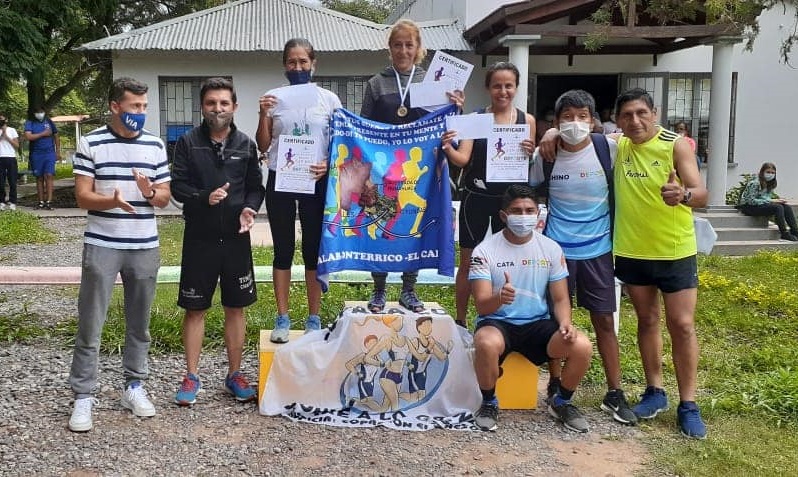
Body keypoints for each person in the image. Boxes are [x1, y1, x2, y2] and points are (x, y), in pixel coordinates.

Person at [541, 87, 709, 438]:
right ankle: (653, 391)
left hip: (670, 250)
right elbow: (569, 136)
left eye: (641, 113)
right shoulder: (614, 146)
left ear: (654, 113)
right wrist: (551, 132)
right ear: (616, 120)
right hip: (629, 251)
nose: (635, 121)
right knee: (645, 321)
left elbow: (702, 193)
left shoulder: (669, 145)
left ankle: (686, 404)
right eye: (627, 115)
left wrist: (684, 195)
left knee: (681, 325)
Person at [68, 77, 171, 432]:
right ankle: (83, 395)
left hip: (144, 244)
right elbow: (82, 197)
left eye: (144, 107)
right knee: (91, 321)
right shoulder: (91, 142)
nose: (140, 113)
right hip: (102, 242)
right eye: (134, 106)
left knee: (139, 323)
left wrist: (149, 191)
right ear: (115, 106)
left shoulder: (155, 145)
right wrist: (110, 200)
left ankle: (134, 386)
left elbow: (164, 198)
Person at [528, 89, 636, 425]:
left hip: (598, 251)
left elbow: (638, 136)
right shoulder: (546, 155)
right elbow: (529, 188)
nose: (574, 123)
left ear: (593, 121)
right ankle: (555, 383)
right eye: (567, 117)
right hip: (557, 253)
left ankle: (615, 391)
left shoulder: (608, 149)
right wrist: (547, 136)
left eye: (582, 117)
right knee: (557, 320)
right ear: (556, 121)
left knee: (604, 321)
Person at [171, 77, 265, 405]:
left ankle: (234, 374)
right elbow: (177, 186)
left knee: (235, 307)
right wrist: (203, 197)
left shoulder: (246, 144)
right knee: (195, 309)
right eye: (211, 103)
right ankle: (191, 376)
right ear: (202, 107)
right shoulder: (187, 142)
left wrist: (250, 208)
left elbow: (255, 187)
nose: (217, 109)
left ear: (234, 106)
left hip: (236, 240)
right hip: (200, 238)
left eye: (224, 103)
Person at [470, 184, 593, 433]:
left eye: (529, 210)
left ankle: (562, 402)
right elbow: (482, 306)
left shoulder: (551, 248)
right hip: (498, 323)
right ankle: (489, 402)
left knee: (582, 346)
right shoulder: (484, 250)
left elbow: (560, 298)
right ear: (503, 215)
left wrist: (565, 323)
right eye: (517, 211)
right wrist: (500, 298)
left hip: (537, 324)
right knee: (485, 343)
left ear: (538, 214)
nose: (524, 216)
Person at [360, 18, 463, 313]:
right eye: (397, 45)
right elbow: (363, 128)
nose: (403, 50)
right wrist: (366, 172)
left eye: (409, 44)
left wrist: (457, 106)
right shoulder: (376, 83)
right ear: (390, 48)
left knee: (412, 224)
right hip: (383, 168)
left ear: (418, 48)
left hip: (419, 170)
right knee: (382, 223)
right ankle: (379, 290)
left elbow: (449, 126)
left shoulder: (434, 84)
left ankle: (409, 289)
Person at [256, 38, 342, 343]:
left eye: (303, 61)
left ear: (313, 64)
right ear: (284, 65)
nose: (298, 67)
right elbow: (263, 145)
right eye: (292, 62)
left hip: (315, 181)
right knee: (282, 250)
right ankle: (282, 317)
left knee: (312, 251)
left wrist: (328, 164)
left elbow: (341, 143)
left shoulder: (329, 100)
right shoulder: (273, 98)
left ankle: (313, 318)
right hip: (281, 179)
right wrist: (263, 114)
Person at [441, 61, 535, 327]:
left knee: (509, 259)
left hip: (509, 202)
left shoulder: (527, 121)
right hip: (477, 197)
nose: (503, 91)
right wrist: (447, 147)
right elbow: (463, 159)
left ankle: (505, 318)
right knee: (468, 260)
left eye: (509, 86)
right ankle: (460, 320)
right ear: (488, 88)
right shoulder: (476, 119)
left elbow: (528, 162)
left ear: (516, 88)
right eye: (497, 86)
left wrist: (531, 151)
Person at [738, 162, 797, 241]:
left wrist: (774, 201)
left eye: (773, 173)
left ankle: (794, 231)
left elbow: (765, 198)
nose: (770, 174)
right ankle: (784, 233)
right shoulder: (755, 183)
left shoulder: (770, 183)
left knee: (786, 207)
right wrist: (771, 201)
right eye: (768, 172)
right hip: (748, 207)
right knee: (778, 207)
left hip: (760, 205)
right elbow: (751, 201)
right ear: (762, 172)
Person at [24, 106, 61, 210]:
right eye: (37, 112)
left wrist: (58, 151)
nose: (40, 114)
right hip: (36, 154)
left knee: (49, 175)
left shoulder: (49, 121)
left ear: (44, 112)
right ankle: (40, 201)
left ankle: (49, 202)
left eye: (41, 112)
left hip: (49, 153)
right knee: (39, 177)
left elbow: (56, 136)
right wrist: (43, 134)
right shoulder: (30, 123)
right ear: (34, 113)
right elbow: (28, 136)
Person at [0, 113, 20, 210]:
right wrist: (2, 134)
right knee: (1, 182)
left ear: (6, 120)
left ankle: (12, 202)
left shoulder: (12, 130)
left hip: (11, 157)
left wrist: (7, 137)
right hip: (0, 158)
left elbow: (17, 145)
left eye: (2, 119)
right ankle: (1, 201)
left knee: (12, 181)